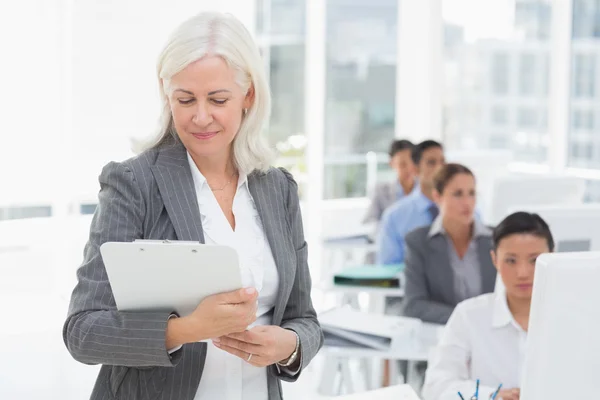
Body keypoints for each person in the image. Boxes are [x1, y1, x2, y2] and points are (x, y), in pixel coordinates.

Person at [63, 12, 323, 400]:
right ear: (167, 94)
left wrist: (290, 345)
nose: (201, 117)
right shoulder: (134, 183)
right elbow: (83, 331)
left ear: (248, 95)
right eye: (185, 99)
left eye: (218, 99)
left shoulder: (277, 188)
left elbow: (306, 319)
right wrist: (186, 329)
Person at [421, 212, 555, 400]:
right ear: (494, 259)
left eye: (535, 260)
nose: (523, 272)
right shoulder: (469, 315)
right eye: (511, 260)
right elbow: (436, 387)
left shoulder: (573, 317)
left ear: (552, 257)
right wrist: (492, 396)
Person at [403, 163, 496, 324]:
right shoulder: (418, 242)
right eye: (458, 194)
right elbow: (413, 305)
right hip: (442, 334)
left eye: (472, 193)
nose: (467, 202)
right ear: (437, 196)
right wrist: (465, 319)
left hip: (491, 335)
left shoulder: (497, 239)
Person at [377, 140, 445, 264]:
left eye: (442, 162)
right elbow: (388, 267)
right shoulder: (394, 216)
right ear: (415, 169)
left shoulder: (465, 211)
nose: (440, 168)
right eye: (431, 163)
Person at [363, 139, 417, 225]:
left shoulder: (426, 190)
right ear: (392, 163)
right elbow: (369, 222)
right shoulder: (381, 191)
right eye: (403, 164)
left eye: (413, 163)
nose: (409, 169)